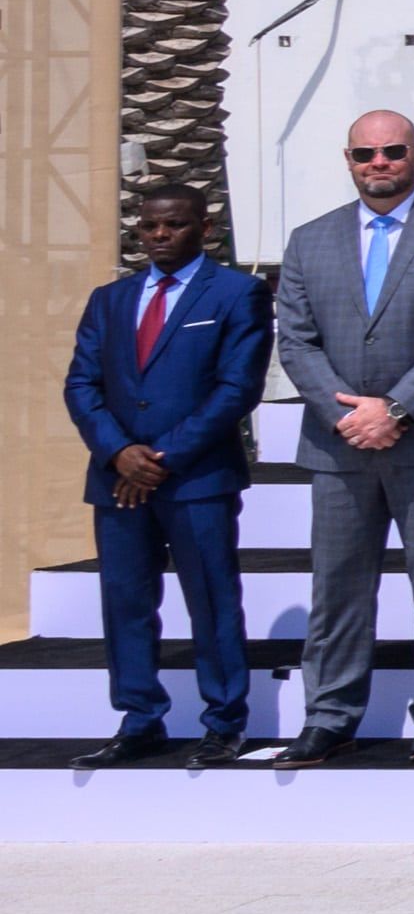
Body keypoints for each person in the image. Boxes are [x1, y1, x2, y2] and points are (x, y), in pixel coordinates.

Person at [68, 184, 269, 762]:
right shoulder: (110, 299)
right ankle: (139, 719)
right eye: (150, 226)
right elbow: (81, 383)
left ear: (203, 229)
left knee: (210, 598)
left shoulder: (238, 293)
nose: (160, 235)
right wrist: (118, 452)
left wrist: (160, 460)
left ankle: (225, 720)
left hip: (197, 479)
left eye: (175, 225)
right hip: (117, 480)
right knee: (126, 600)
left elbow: (237, 389)